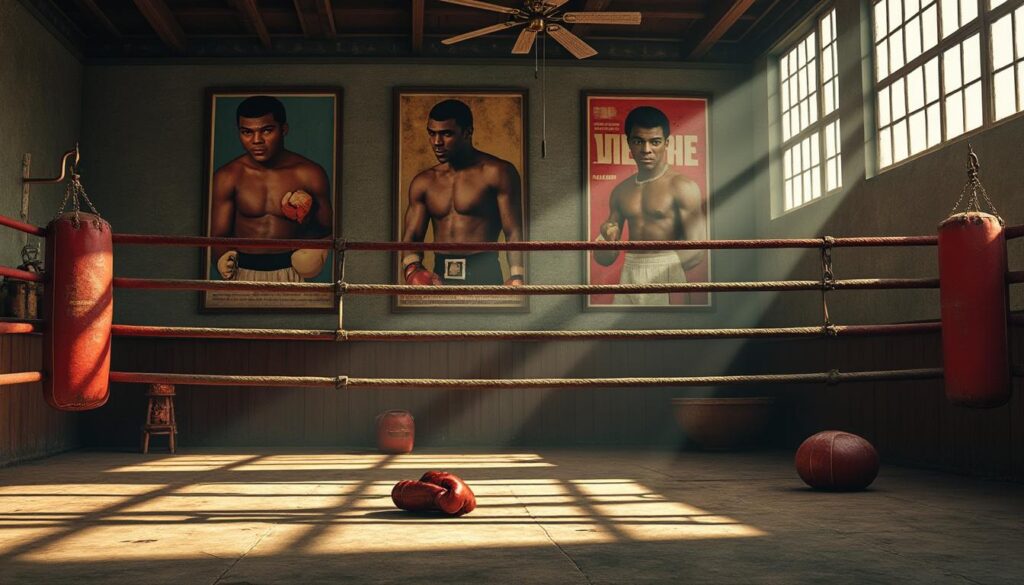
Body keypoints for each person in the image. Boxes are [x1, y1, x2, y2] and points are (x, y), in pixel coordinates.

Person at [401, 99, 525, 286]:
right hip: (440, 277)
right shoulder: (424, 182)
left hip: (485, 274)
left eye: (447, 134)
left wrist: (517, 276)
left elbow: (513, 231)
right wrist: (413, 269)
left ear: (467, 132)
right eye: (432, 133)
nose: (437, 142)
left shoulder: (497, 172)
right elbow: (412, 236)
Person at [209, 95, 333, 282]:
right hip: (242, 272)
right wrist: (221, 258)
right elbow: (218, 236)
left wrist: (314, 246)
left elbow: (327, 229)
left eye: (266, 130)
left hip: (290, 272)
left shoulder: (309, 174)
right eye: (247, 132)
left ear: (284, 129)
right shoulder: (228, 176)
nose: (256, 140)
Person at [593, 106, 707, 305]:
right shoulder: (621, 191)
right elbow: (605, 258)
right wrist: (607, 242)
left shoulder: (682, 187)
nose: (646, 150)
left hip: (667, 270)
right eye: (638, 141)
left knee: (665, 325)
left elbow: (698, 250)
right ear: (629, 143)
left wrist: (664, 270)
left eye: (655, 142)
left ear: (666, 143)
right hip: (630, 271)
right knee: (622, 326)